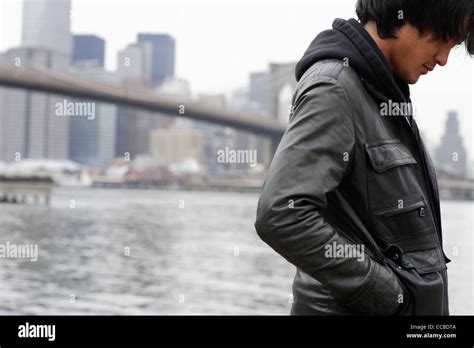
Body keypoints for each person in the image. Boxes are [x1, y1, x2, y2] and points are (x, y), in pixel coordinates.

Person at [254, 0, 473, 315]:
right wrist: (390, 296)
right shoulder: (335, 88)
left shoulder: (383, 94)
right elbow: (281, 214)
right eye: (441, 39)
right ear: (406, 14)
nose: (443, 59)